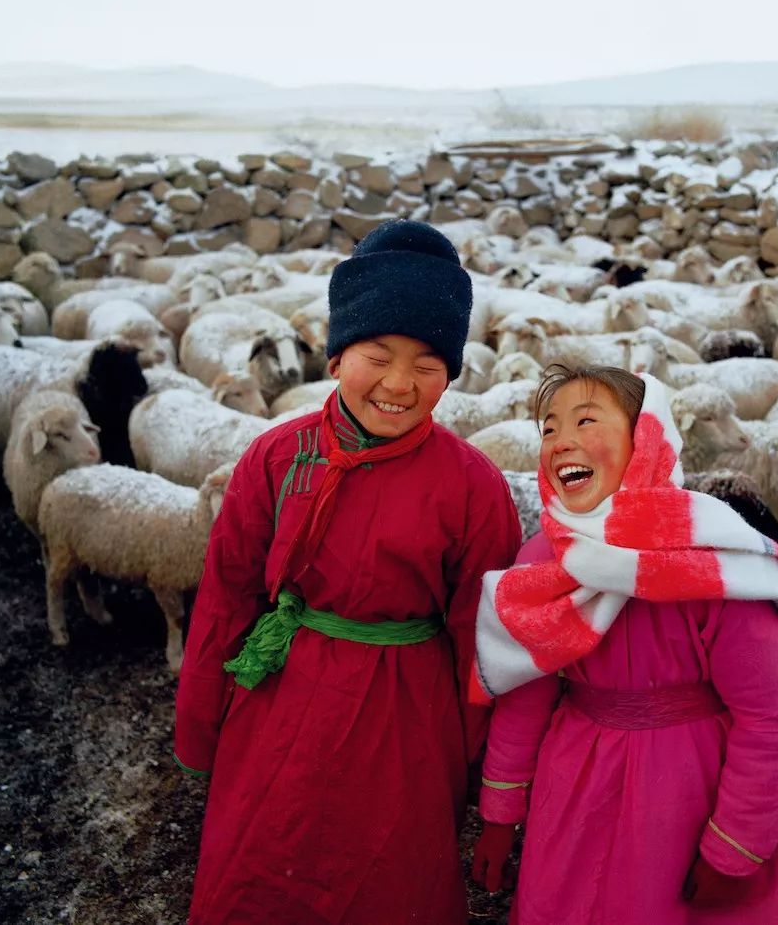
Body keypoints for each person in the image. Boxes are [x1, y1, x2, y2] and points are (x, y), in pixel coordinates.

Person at [174, 219, 522, 925]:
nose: (399, 383)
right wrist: (201, 724)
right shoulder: (276, 458)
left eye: (428, 365)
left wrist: (479, 768)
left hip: (405, 720)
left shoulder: (472, 486)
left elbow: (482, 642)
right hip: (280, 699)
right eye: (377, 354)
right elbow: (227, 597)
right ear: (335, 357)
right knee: (263, 867)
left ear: (451, 375)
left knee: (391, 882)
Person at [470, 363, 778, 925]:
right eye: (548, 428)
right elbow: (525, 696)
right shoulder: (544, 560)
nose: (561, 440)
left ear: (646, 439)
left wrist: (737, 844)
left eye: (586, 421)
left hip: (690, 788)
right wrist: (500, 811)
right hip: (577, 785)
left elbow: (768, 716)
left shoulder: (711, 559)